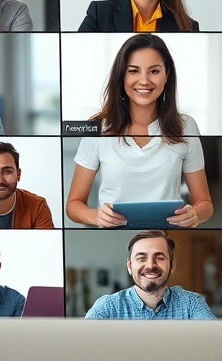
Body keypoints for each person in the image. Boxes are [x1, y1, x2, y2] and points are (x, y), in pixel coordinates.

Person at [66, 34, 212, 228]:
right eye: (134, 71)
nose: (144, 81)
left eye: (154, 71)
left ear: (167, 75)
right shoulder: (98, 127)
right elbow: (73, 205)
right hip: (113, 235)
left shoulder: (186, 126)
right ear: (122, 75)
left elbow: (205, 204)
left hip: (166, 234)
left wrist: (194, 214)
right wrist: (96, 216)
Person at [85, 230, 215, 319]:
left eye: (159, 258)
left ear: (172, 266)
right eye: (142, 258)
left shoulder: (192, 304)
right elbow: (80, 345)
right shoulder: (108, 306)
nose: (150, 265)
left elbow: (214, 342)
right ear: (130, 266)